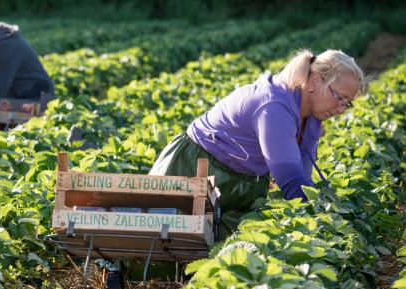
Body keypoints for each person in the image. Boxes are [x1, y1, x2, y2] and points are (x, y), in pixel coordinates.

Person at [149, 49, 366, 238]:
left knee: (217, 255)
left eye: (347, 105)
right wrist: (328, 219)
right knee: (166, 240)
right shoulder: (275, 106)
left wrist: (330, 212)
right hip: (196, 166)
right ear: (317, 80)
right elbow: (291, 181)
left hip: (242, 182)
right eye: (340, 98)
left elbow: (303, 178)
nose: (340, 110)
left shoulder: (313, 117)